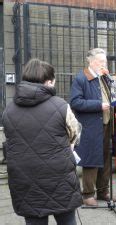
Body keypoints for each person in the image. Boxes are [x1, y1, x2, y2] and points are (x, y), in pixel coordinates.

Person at [2, 58, 82, 225]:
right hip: (59, 176)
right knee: (67, 221)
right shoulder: (61, 105)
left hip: (24, 177)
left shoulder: (8, 110)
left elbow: (11, 139)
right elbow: (74, 133)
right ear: (48, 81)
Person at [70, 48, 116, 206]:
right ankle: (88, 194)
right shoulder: (81, 78)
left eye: (105, 61)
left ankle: (103, 190)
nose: (104, 64)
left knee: (105, 157)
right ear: (91, 61)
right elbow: (76, 102)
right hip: (91, 126)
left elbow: (111, 96)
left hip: (106, 124)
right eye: (101, 61)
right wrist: (99, 105)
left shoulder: (104, 77)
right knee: (91, 159)